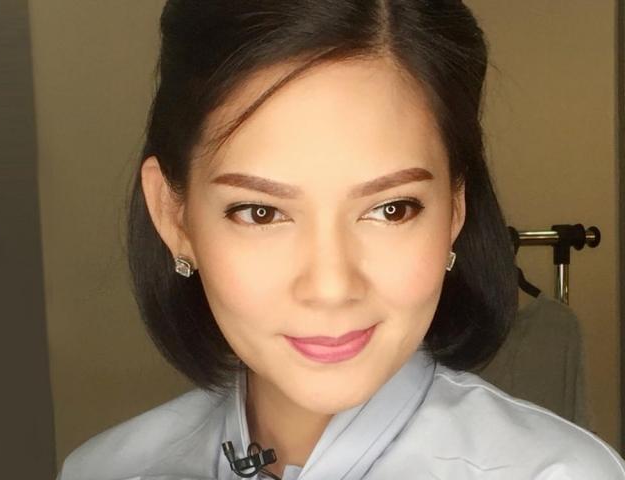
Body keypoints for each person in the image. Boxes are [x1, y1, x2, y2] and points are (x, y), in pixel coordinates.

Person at [56, 1, 625, 479]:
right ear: (173, 216)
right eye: (260, 212)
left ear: (455, 207)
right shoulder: (103, 470)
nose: (331, 287)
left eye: (391, 209)